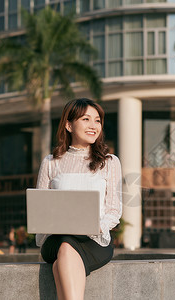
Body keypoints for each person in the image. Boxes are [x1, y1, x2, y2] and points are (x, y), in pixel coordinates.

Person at [35, 98, 122, 299]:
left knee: (61, 264)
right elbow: (41, 208)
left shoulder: (110, 162)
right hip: (56, 239)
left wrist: (96, 226)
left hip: (94, 240)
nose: (93, 126)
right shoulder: (50, 162)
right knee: (65, 244)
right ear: (68, 124)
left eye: (97, 120)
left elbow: (114, 210)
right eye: (86, 119)